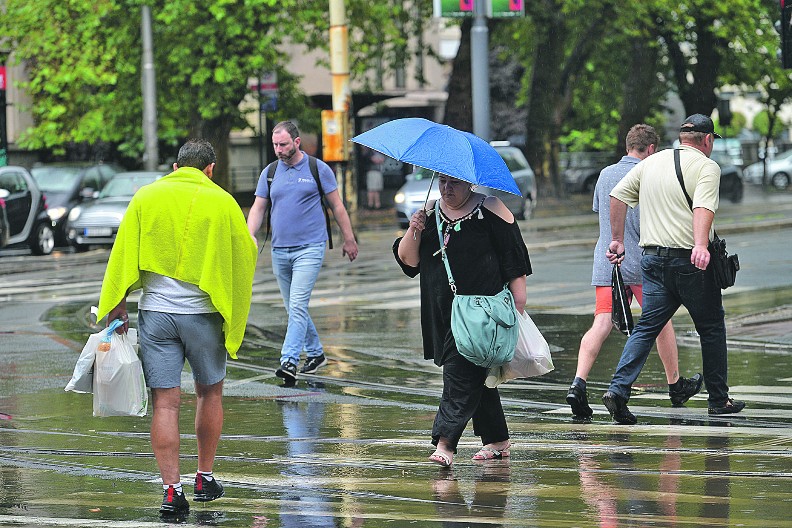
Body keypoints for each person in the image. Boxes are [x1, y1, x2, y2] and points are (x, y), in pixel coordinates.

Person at [96, 139, 258, 516]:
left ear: (174, 167)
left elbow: (122, 254)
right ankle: (204, 476)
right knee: (209, 393)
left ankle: (172, 491)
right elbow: (244, 253)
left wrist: (117, 305)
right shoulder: (222, 202)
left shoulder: (146, 197)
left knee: (165, 404)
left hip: (156, 315)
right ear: (210, 169)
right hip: (202, 316)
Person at [602, 114, 746, 424]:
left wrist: (617, 240)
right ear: (707, 140)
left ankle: (618, 390)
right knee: (710, 327)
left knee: (646, 328)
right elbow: (702, 207)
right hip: (689, 263)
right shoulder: (707, 167)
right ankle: (718, 400)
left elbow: (617, 196)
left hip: (651, 261)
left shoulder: (652, 162)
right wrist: (700, 245)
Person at [394, 174, 531, 467]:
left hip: (481, 314)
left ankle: (445, 443)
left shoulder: (490, 208)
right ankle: (497, 439)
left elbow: (513, 256)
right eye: (442, 182)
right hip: (441, 311)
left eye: (454, 183)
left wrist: (518, 303)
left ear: (470, 183)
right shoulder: (431, 211)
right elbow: (409, 262)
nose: (446, 188)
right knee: (476, 375)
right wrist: (413, 230)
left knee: (459, 374)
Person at [566, 124, 702, 418]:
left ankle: (578, 384)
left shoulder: (604, 175)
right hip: (642, 262)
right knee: (660, 322)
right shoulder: (650, 174)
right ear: (651, 149)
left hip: (608, 261)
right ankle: (675, 384)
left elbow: (603, 213)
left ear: (628, 146)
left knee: (601, 323)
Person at [247, 121, 358, 383]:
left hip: (310, 247)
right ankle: (317, 354)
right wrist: (249, 234)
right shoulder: (270, 172)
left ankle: (289, 360)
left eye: (283, 144)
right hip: (279, 250)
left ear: (296, 142)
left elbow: (337, 207)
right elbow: (258, 207)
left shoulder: (317, 169)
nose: (278, 149)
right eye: (275, 144)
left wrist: (349, 239)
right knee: (293, 308)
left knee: (297, 305)